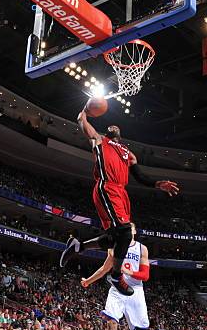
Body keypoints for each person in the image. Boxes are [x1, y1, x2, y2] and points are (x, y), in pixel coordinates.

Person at [76, 109, 178, 296]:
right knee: (125, 232)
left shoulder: (128, 153)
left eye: (117, 127)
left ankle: (79, 245)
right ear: (108, 133)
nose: (114, 126)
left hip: (122, 192)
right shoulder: (100, 140)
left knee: (116, 239)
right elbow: (81, 121)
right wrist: (86, 109)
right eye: (110, 127)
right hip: (107, 186)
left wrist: (157, 184)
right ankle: (116, 276)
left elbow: (140, 176)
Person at [81, 224, 150, 330]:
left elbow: (145, 275)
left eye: (130, 228)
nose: (127, 231)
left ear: (134, 231)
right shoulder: (114, 248)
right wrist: (88, 281)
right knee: (111, 323)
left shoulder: (142, 249)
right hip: (117, 290)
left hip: (135, 291)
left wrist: (128, 271)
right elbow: (104, 269)